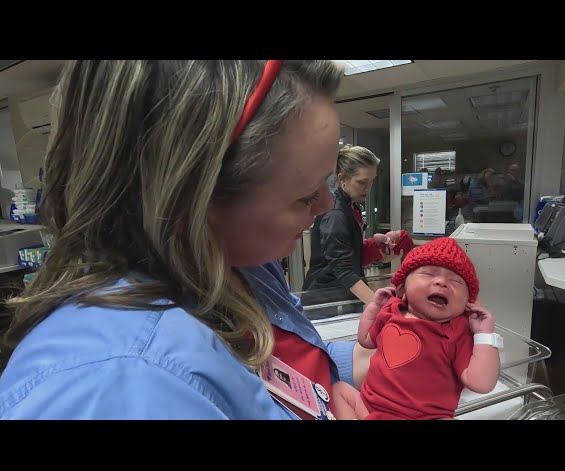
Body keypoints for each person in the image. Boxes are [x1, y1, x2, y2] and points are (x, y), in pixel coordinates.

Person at [0, 60, 370, 420]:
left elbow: (283, 359)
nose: (325, 205)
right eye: (304, 196)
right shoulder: (122, 385)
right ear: (191, 201)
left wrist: (333, 380)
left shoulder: (239, 259)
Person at [331, 237, 502, 420]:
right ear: (403, 287)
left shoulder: (458, 331)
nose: (442, 282)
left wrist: (484, 335)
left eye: (456, 281)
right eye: (428, 273)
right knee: (338, 390)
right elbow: (365, 339)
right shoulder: (392, 310)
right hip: (369, 408)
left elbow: (481, 383)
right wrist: (374, 307)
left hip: (426, 416)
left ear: (467, 303)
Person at [302, 145, 413, 308]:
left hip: (342, 295)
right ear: (342, 179)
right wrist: (380, 307)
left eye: (371, 181)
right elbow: (343, 269)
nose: (368, 189)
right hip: (326, 301)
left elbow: (346, 253)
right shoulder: (335, 214)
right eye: (362, 182)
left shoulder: (351, 207)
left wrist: (373, 246)